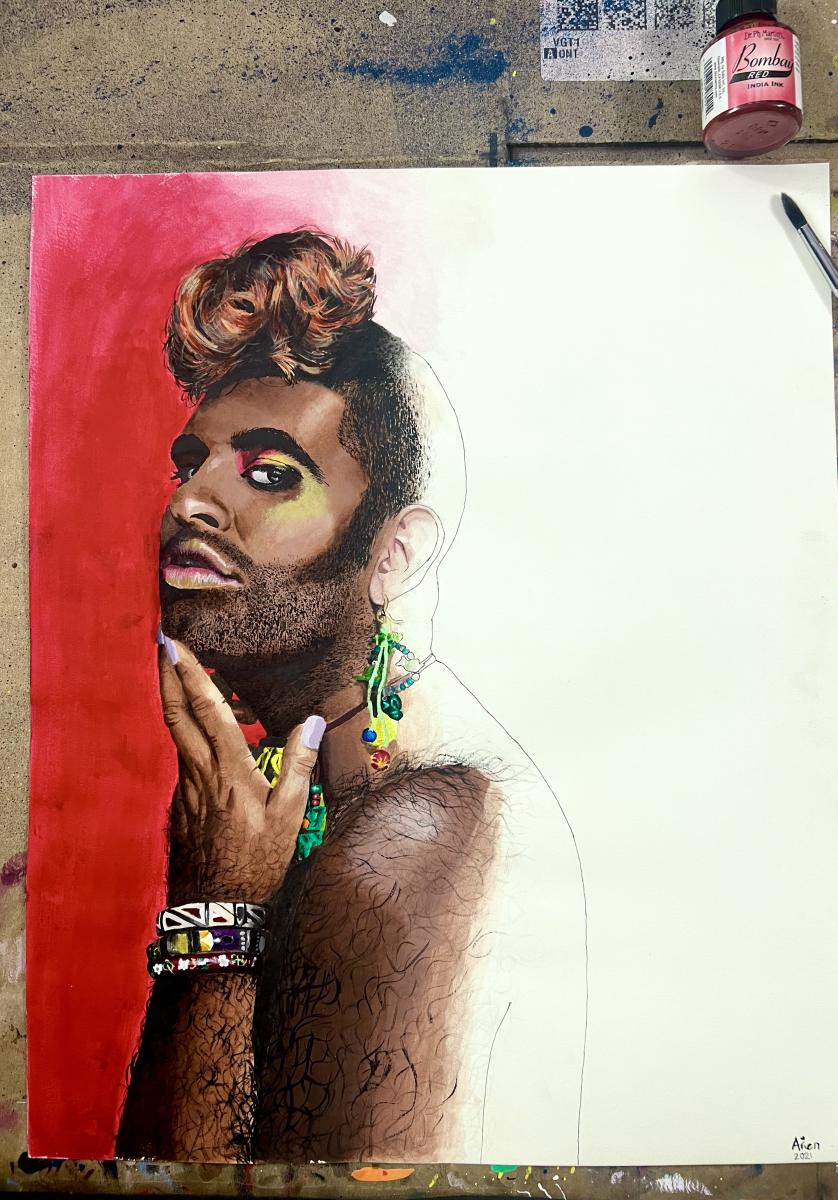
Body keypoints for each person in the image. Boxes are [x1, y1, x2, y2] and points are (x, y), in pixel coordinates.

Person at [116, 230, 586, 1164]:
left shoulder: (407, 834)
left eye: (269, 474)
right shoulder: (324, 791)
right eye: (189, 463)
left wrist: (216, 905)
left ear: (393, 553)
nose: (188, 504)